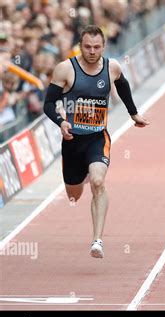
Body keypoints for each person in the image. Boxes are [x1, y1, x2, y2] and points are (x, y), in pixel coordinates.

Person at [43, 25, 150, 258]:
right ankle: (81, 176)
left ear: (104, 46)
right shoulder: (65, 69)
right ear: (80, 46)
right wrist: (61, 122)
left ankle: (97, 241)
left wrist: (133, 113)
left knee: (99, 182)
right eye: (88, 47)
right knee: (74, 195)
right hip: (72, 141)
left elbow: (122, 85)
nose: (92, 51)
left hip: (97, 138)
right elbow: (48, 104)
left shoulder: (112, 67)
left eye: (97, 47)